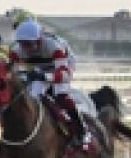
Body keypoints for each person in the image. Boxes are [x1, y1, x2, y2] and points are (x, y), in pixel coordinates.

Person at [9, 19, 92, 151]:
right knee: (29, 95)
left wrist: (43, 76)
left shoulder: (54, 46)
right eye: (22, 44)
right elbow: (13, 74)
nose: (25, 48)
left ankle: (82, 131)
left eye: (29, 44)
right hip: (38, 67)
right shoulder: (15, 50)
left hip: (62, 65)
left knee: (60, 94)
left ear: (39, 40)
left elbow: (64, 75)